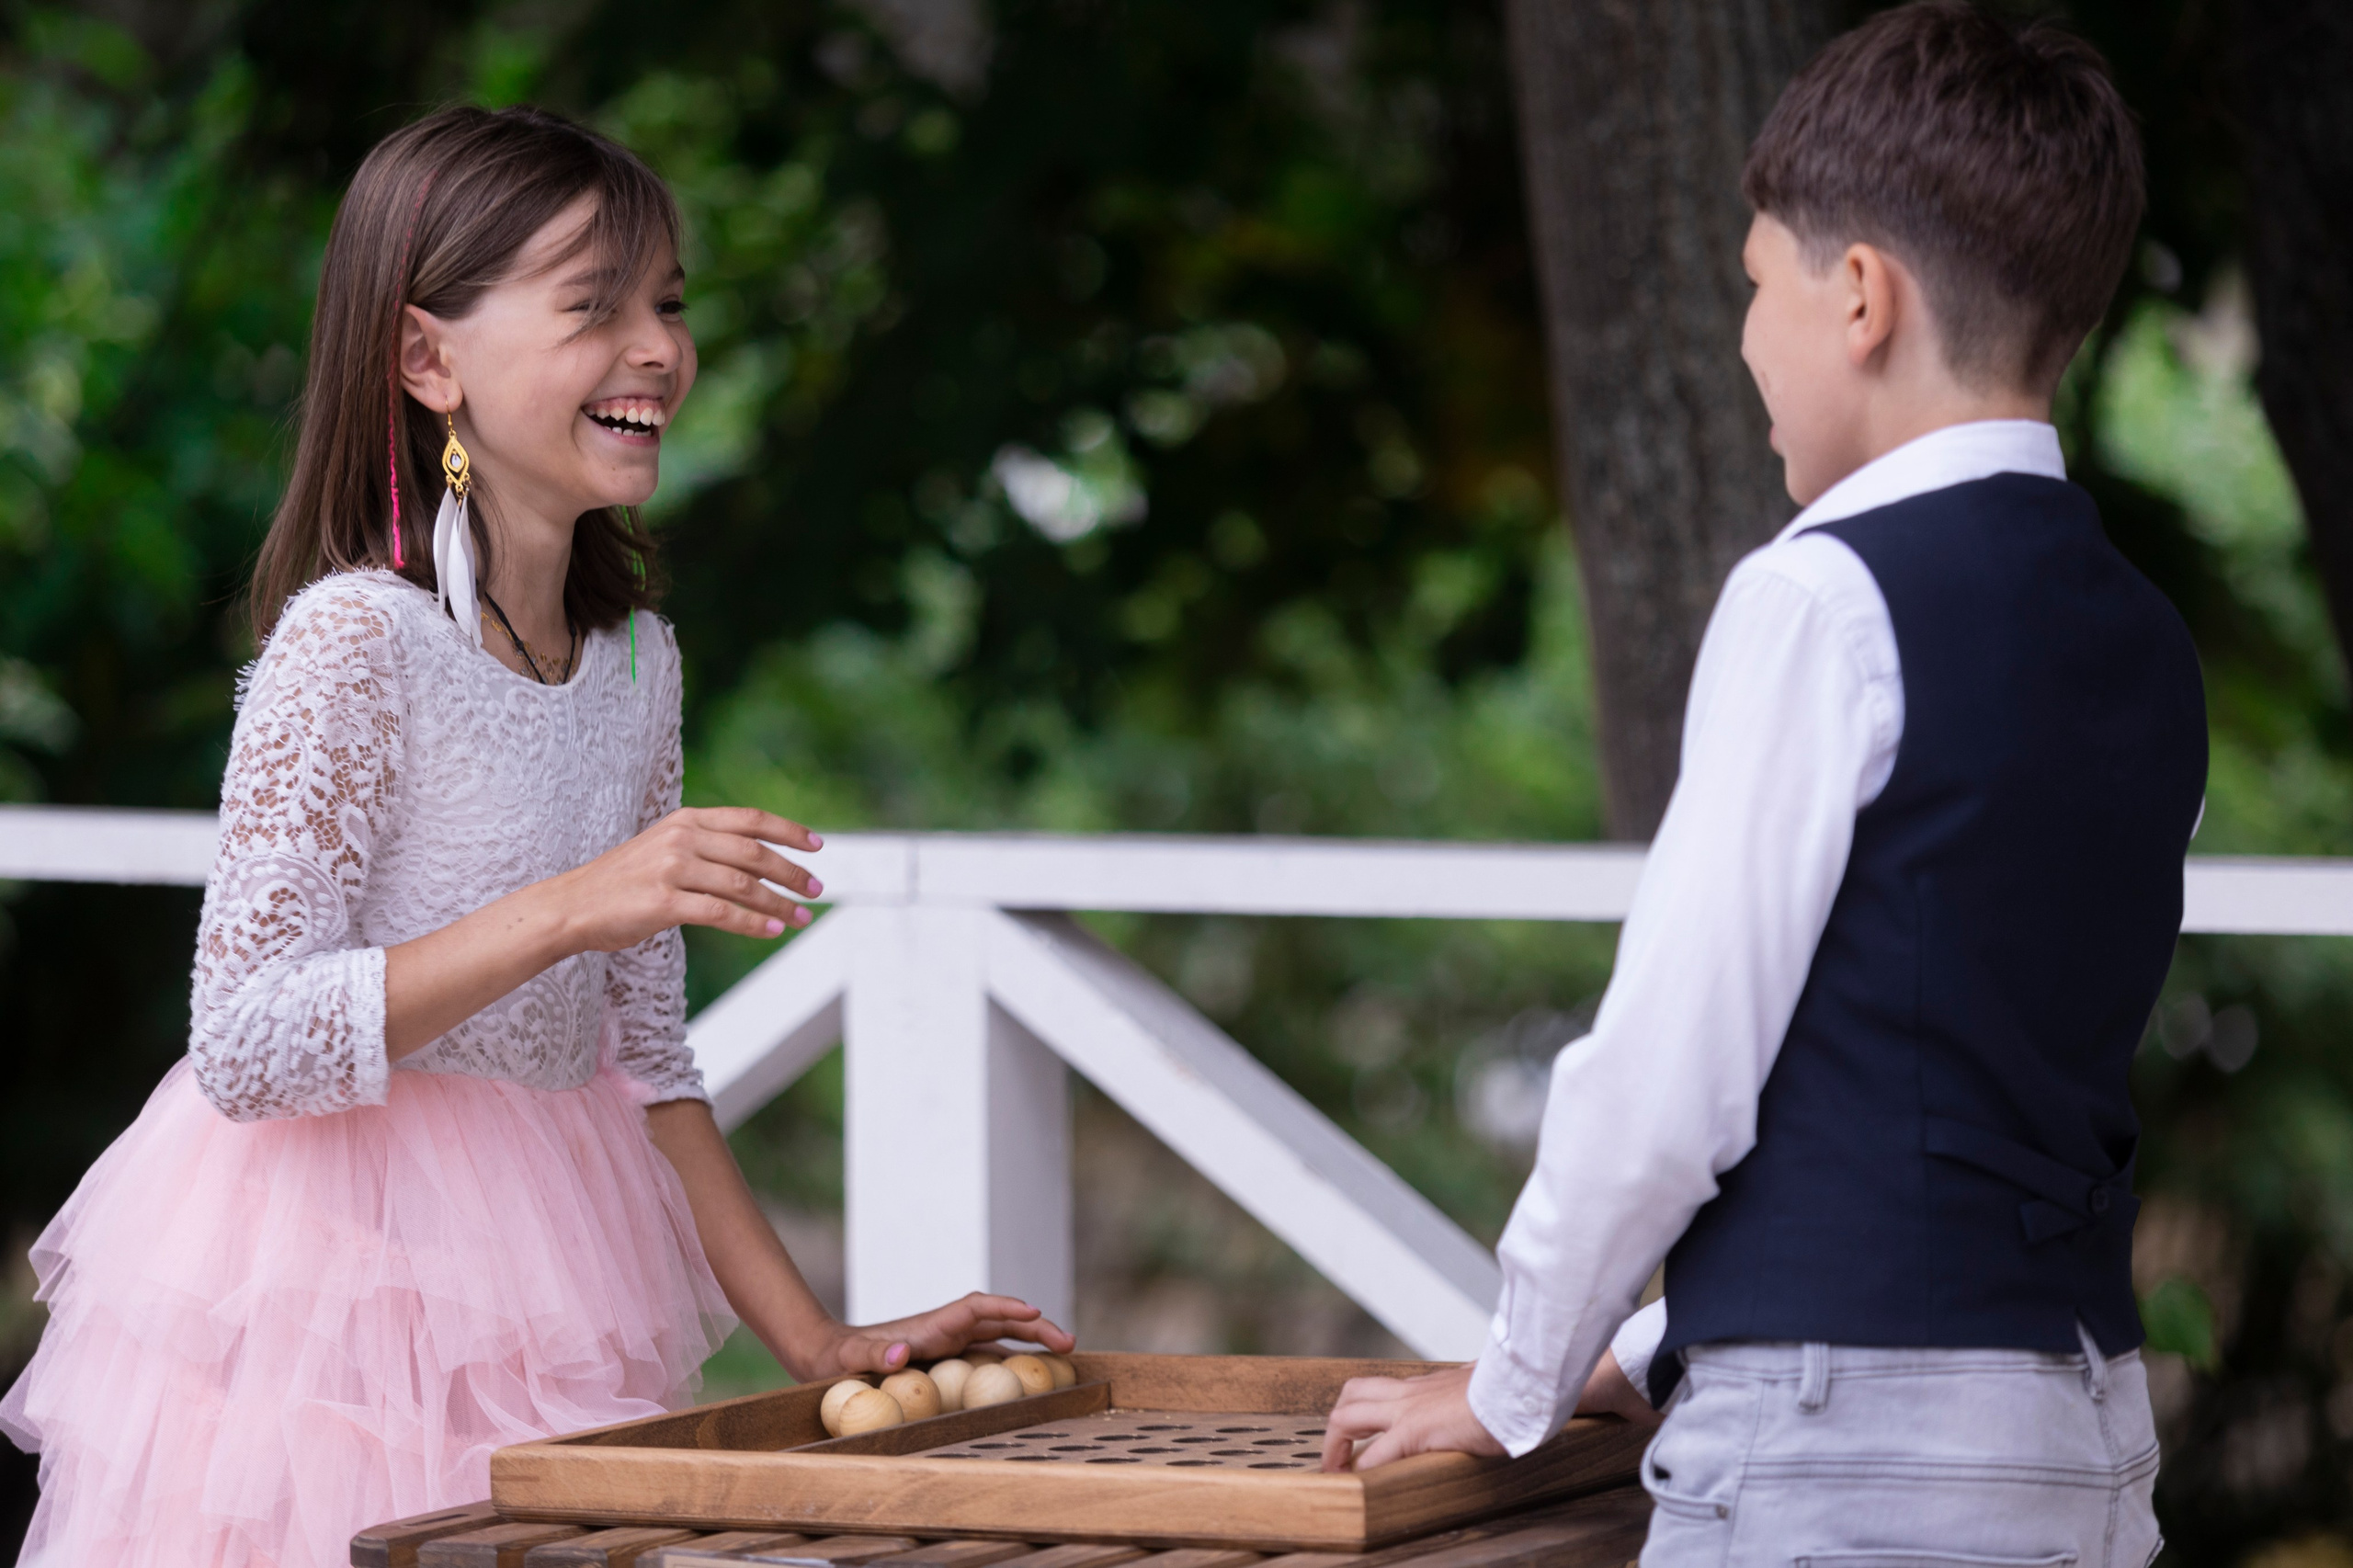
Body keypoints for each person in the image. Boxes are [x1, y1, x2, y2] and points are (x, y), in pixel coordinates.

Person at [0, 105, 1072, 1567]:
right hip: (326, 1298)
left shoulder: (638, 666)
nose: (658, 350)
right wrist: (577, 902)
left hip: (557, 1281)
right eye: (595, 307)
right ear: (428, 359)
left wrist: (820, 1339)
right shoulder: (351, 645)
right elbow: (246, 1039)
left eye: (670, 305)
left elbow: (649, 1061)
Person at [1321, 6, 2203, 1564]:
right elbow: (1948, 1084)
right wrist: (1646, 1350)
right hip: (2082, 1438)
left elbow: (1669, 1078)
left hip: (1845, 1463)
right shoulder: (2143, 637)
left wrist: (1515, 1376)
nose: (1744, 343)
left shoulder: (1823, 597)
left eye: (1754, 286)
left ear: (1859, 294)